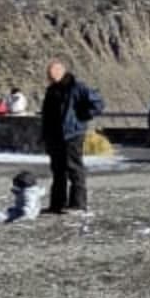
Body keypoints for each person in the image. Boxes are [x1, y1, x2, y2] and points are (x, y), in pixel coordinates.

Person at [40, 59, 104, 215]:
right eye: (48, 74)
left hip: (72, 134)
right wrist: (45, 135)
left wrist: (82, 116)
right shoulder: (51, 90)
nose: (49, 76)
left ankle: (78, 204)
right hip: (55, 136)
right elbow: (47, 114)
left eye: (51, 73)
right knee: (58, 170)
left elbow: (98, 103)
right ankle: (57, 204)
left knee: (74, 168)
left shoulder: (77, 87)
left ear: (60, 72)